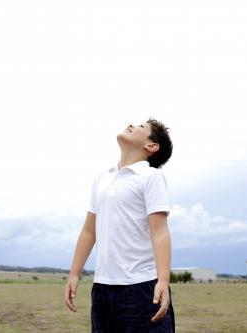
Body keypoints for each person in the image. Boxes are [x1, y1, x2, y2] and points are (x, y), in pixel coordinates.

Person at [64, 118, 174, 333]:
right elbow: (89, 231)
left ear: (151, 146)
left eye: (142, 127)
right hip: (102, 288)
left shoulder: (151, 177)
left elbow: (159, 231)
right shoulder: (102, 179)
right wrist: (74, 273)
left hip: (141, 287)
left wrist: (163, 280)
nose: (132, 124)